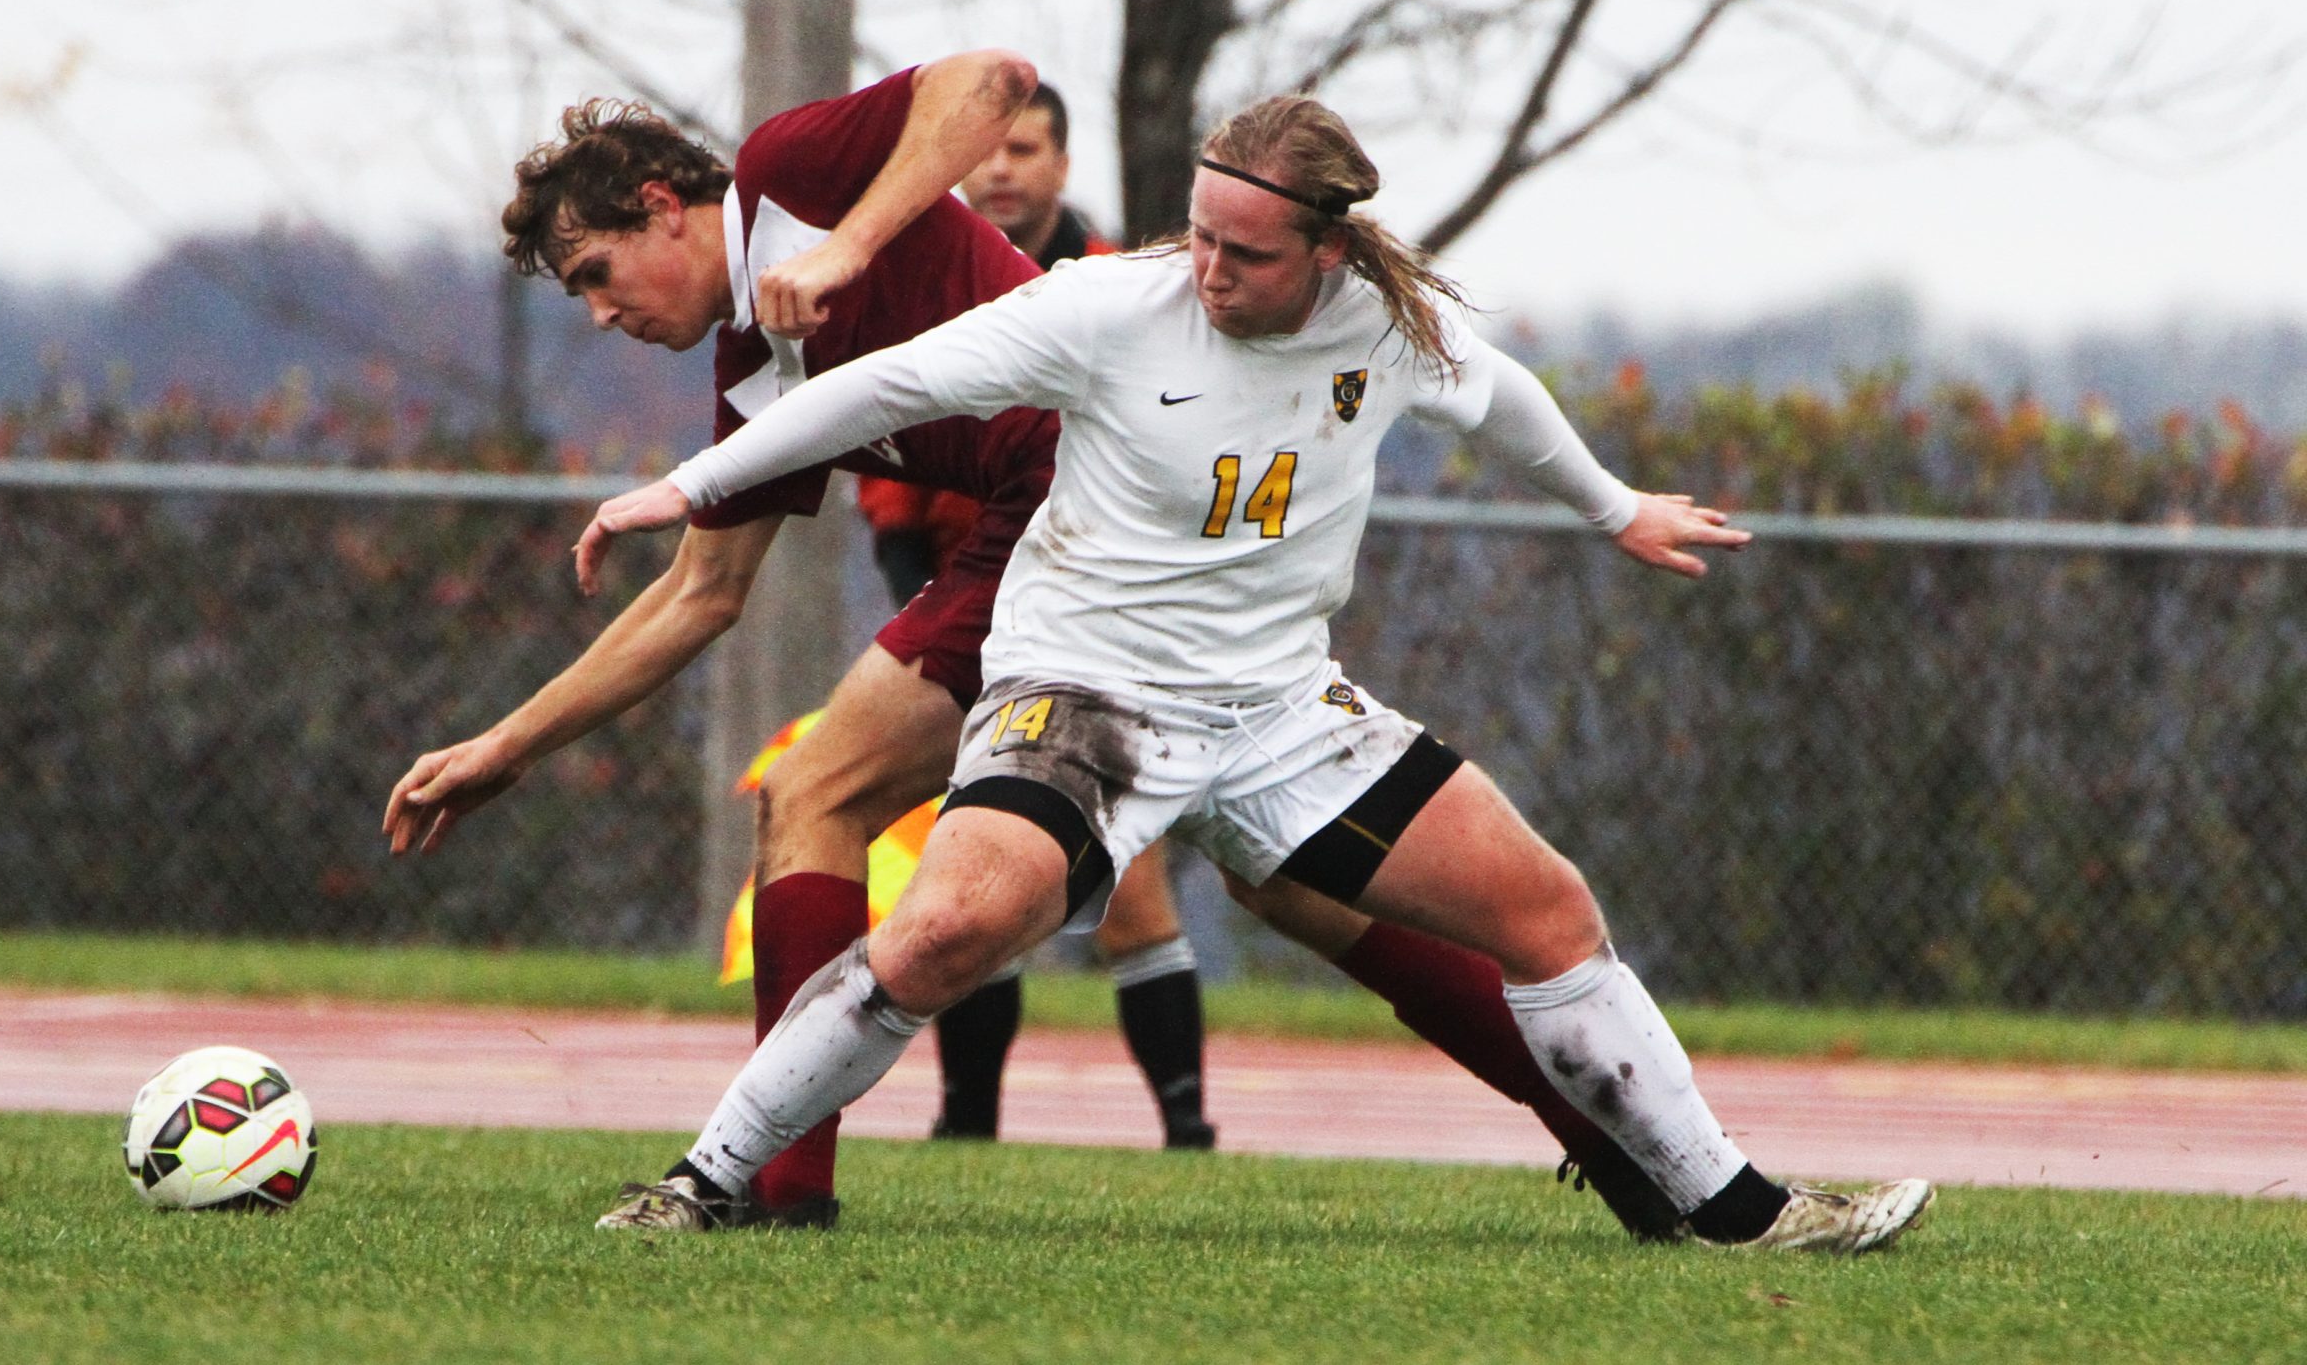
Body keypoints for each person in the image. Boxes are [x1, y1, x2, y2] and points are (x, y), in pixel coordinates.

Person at [582, 94, 1936, 1254]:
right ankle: (703, 1183)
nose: (1209, 269)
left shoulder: (1387, 324)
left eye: (1244, 251)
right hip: (1085, 694)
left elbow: (1504, 395)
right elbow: (880, 388)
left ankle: (1741, 1209)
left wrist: (1612, 505)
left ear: (1329, 251)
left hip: (1284, 714)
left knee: (1550, 911)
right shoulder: (1114, 306)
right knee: (941, 934)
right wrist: (690, 482)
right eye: (1202, 235)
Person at [386, 59, 1681, 1241]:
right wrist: (506, 745)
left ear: (667, 207)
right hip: (1049, 553)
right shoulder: (754, 364)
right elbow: (699, 596)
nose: (601, 315)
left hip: (1080, 529)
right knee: (1303, 887)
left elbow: (988, 85)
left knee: (818, 791)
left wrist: (849, 246)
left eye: (596, 274)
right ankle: (1616, 1139)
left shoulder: (790, 178)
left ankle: (773, 1195)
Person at [863, 83, 1207, 1150]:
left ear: (1062, 164)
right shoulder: (936, 292)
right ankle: (967, 1122)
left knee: (1133, 885)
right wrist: (939, 654)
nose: (1003, 168)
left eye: (1026, 148)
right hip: (976, 626)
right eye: (988, 151)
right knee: (974, 885)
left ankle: (1188, 1132)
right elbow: (893, 513)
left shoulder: (1132, 289)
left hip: (1121, 629)